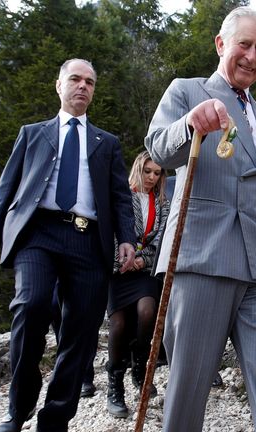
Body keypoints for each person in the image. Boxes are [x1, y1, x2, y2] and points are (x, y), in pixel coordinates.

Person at [145, 7, 256, 432]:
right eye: (244, 45)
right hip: (203, 255)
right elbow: (159, 150)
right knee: (189, 386)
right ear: (221, 45)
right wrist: (190, 124)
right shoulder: (187, 91)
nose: (251, 56)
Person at [0, 58, 135, 432]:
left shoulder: (106, 143)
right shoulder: (32, 134)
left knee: (80, 332)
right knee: (30, 305)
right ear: (58, 85)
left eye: (89, 82)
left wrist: (125, 238)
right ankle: (18, 410)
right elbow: (6, 188)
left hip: (88, 241)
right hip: (38, 235)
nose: (82, 86)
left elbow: (121, 197)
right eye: (75, 79)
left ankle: (56, 419)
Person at [104, 151, 169, 418]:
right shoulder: (121, 197)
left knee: (147, 311)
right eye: (148, 171)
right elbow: (111, 231)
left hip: (144, 270)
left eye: (157, 173)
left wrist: (142, 261)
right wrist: (122, 261)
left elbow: (162, 238)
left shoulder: (162, 204)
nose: (152, 177)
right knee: (118, 324)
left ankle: (140, 366)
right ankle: (114, 384)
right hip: (118, 270)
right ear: (138, 170)